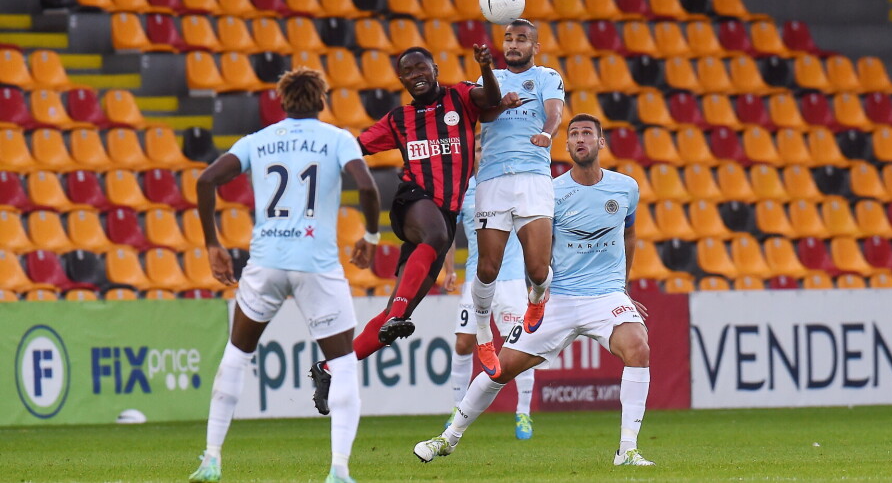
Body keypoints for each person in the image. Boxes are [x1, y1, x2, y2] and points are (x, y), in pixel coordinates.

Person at [413, 114, 656, 467]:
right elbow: (538, 247)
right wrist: (537, 292)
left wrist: (623, 287)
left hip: (606, 296)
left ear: (601, 143)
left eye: (587, 133)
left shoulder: (626, 187)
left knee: (638, 347)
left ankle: (627, 450)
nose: (579, 139)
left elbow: (630, 234)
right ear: (567, 145)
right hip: (558, 298)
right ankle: (447, 438)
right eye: (573, 134)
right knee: (500, 369)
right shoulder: (551, 192)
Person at [188, 67, 381, 483]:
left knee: (237, 356)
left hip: (266, 263)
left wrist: (212, 243)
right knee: (343, 365)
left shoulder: (258, 141)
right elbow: (367, 187)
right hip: (317, 266)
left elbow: (206, 180)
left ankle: (211, 459)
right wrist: (371, 234)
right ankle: (339, 470)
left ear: (282, 102)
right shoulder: (337, 138)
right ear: (322, 101)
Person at [346, 45, 502, 362]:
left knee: (397, 304)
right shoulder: (399, 119)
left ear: (435, 69)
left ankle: (333, 368)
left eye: (421, 67)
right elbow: (356, 146)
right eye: (408, 71)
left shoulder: (460, 97)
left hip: (443, 216)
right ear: (400, 79)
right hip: (413, 201)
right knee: (436, 236)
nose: (416, 75)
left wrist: (486, 67)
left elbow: (492, 101)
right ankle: (398, 315)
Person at [470, 18, 565, 380]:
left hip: (533, 178)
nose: (513, 44)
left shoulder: (547, 76)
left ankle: (537, 297)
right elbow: (484, 112)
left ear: (534, 47)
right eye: (508, 38)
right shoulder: (488, 78)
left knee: (539, 270)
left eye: (521, 39)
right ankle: (483, 336)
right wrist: (501, 101)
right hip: (493, 178)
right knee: (487, 269)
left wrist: (546, 132)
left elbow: (555, 111)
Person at [447, 145, 536, 440]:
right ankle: (457, 409)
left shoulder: (511, 186)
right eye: (476, 150)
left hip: (510, 281)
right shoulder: (464, 191)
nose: (480, 155)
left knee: (520, 348)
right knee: (462, 344)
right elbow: (449, 233)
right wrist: (449, 269)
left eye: (484, 150)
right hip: (476, 278)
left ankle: (523, 412)